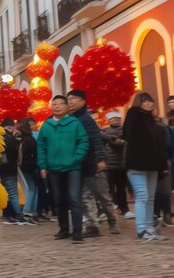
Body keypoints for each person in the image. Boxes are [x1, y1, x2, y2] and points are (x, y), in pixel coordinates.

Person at [67, 89, 120, 236]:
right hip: (80, 164)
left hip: (93, 163)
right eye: (69, 98)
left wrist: (100, 159)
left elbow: (96, 139)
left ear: (82, 101)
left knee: (101, 194)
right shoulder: (72, 118)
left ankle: (112, 221)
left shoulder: (86, 119)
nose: (70, 101)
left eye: (74, 98)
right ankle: (91, 225)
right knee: (86, 195)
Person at [37, 95, 89, 243]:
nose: (57, 106)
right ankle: (64, 229)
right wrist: (43, 165)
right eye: (54, 104)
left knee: (74, 198)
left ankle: (77, 231)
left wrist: (77, 157)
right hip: (53, 169)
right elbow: (41, 147)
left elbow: (83, 142)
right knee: (59, 200)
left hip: (73, 168)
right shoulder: (46, 125)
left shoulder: (75, 123)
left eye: (60, 104)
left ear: (67, 107)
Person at [123, 92, 168, 242]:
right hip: (137, 164)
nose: (149, 104)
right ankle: (142, 230)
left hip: (153, 164)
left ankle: (149, 228)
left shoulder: (152, 120)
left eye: (151, 101)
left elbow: (159, 144)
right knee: (142, 196)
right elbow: (133, 138)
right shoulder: (134, 115)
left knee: (150, 197)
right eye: (146, 101)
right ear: (139, 103)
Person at [101, 111, 133, 219]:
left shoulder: (126, 130)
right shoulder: (104, 131)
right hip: (108, 165)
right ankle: (110, 208)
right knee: (108, 189)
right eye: (113, 119)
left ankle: (124, 208)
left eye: (117, 119)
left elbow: (127, 142)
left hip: (121, 164)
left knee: (121, 188)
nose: (115, 120)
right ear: (109, 120)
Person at [0, 118, 28, 225]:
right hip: (10, 169)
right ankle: (19, 215)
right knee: (13, 193)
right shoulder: (10, 139)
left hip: (2, 169)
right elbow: (17, 155)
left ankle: (8, 214)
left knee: (6, 193)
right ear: (9, 127)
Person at [16, 118, 38, 220]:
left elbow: (22, 155)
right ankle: (31, 210)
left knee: (29, 188)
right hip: (31, 167)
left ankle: (27, 210)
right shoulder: (31, 139)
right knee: (32, 188)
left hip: (24, 167)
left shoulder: (24, 140)